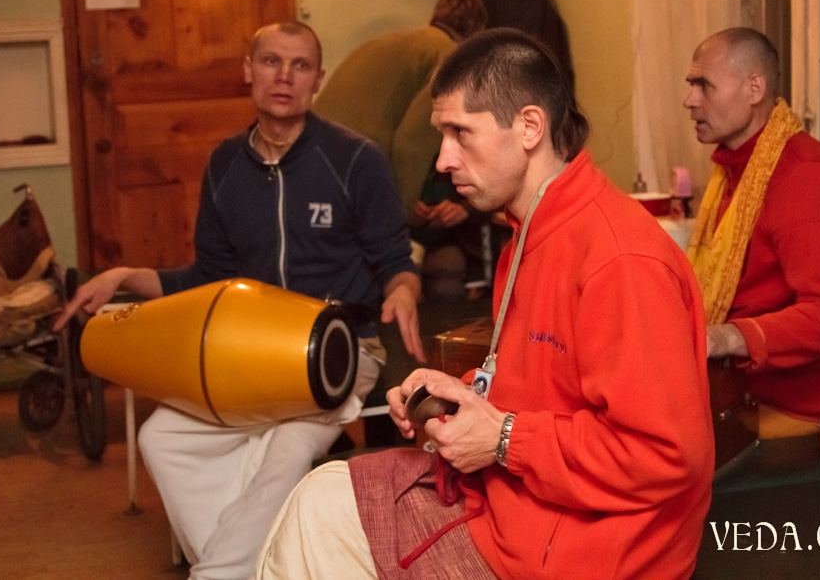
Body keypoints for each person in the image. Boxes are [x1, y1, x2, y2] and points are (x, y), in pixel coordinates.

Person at [256, 28, 714, 580]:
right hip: (517, 511)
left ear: (529, 127)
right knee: (318, 496)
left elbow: (665, 454)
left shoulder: (620, 260)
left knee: (319, 520)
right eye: (441, 134)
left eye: (460, 133)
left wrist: (502, 439)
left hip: (584, 554)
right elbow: (543, 385)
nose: (443, 160)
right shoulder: (530, 231)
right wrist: (457, 394)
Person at [54, 21, 423, 580]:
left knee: (287, 449)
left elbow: (396, 261)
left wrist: (402, 291)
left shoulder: (355, 159)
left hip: (336, 353)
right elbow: (208, 278)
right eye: (271, 61)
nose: (284, 76)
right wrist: (125, 276)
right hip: (246, 357)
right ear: (248, 71)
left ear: (318, 79)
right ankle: (248, 566)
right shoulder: (225, 165)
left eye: (300, 65)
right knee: (161, 436)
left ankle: (218, 574)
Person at [683, 27, 820, 439]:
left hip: (788, 412)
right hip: (729, 397)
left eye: (703, 85)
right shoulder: (733, 170)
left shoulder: (807, 176)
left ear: (754, 88)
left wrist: (726, 338)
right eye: (690, 85)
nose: (689, 100)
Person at [313, 0, 493, 297]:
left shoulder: (399, 41)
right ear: (476, 34)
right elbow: (411, 145)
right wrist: (404, 212)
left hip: (314, 153)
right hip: (354, 162)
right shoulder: (451, 57)